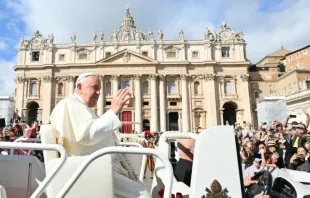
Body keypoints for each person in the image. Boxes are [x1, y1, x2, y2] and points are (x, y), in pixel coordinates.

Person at [50, 73, 151, 198]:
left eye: (100, 89)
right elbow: (88, 136)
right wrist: (113, 110)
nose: (99, 93)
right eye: (95, 88)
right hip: (91, 169)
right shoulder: (69, 104)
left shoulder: (82, 107)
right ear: (79, 87)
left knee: (141, 190)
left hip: (102, 165)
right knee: (143, 196)